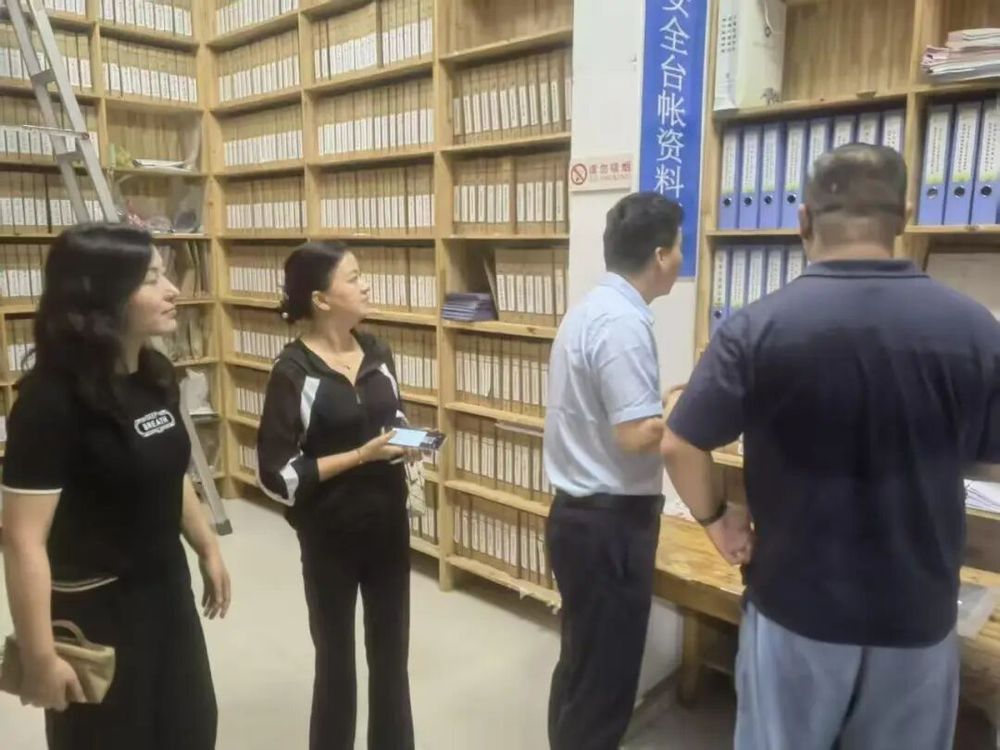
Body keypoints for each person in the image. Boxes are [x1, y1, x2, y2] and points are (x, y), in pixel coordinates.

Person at [662, 144, 1000, 750]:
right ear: (904, 215)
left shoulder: (757, 327)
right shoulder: (975, 329)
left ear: (803, 219)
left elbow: (679, 443)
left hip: (795, 609)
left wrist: (716, 520)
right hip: (917, 617)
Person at [1, 224, 231, 750]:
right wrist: (39, 656)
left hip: (166, 594)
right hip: (97, 612)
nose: (172, 290)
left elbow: (167, 472)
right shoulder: (49, 403)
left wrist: (207, 546)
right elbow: (23, 541)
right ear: (101, 295)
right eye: (150, 279)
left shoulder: (155, 376)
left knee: (190, 728)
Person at [257, 241, 415, 750]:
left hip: (387, 527)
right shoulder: (293, 371)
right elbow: (277, 475)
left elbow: (393, 415)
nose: (366, 285)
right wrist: (360, 456)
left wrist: (407, 440)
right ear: (321, 299)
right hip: (330, 535)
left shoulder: (378, 353)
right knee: (336, 665)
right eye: (353, 277)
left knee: (391, 660)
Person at [543, 192, 684, 750]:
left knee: (581, 665)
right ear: (660, 255)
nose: (681, 259)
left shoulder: (590, 309)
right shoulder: (623, 322)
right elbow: (635, 435)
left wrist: (659, 405)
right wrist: (683, 408)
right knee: (605, 682)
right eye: (679, 248)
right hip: (609, 528)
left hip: (580, 518)